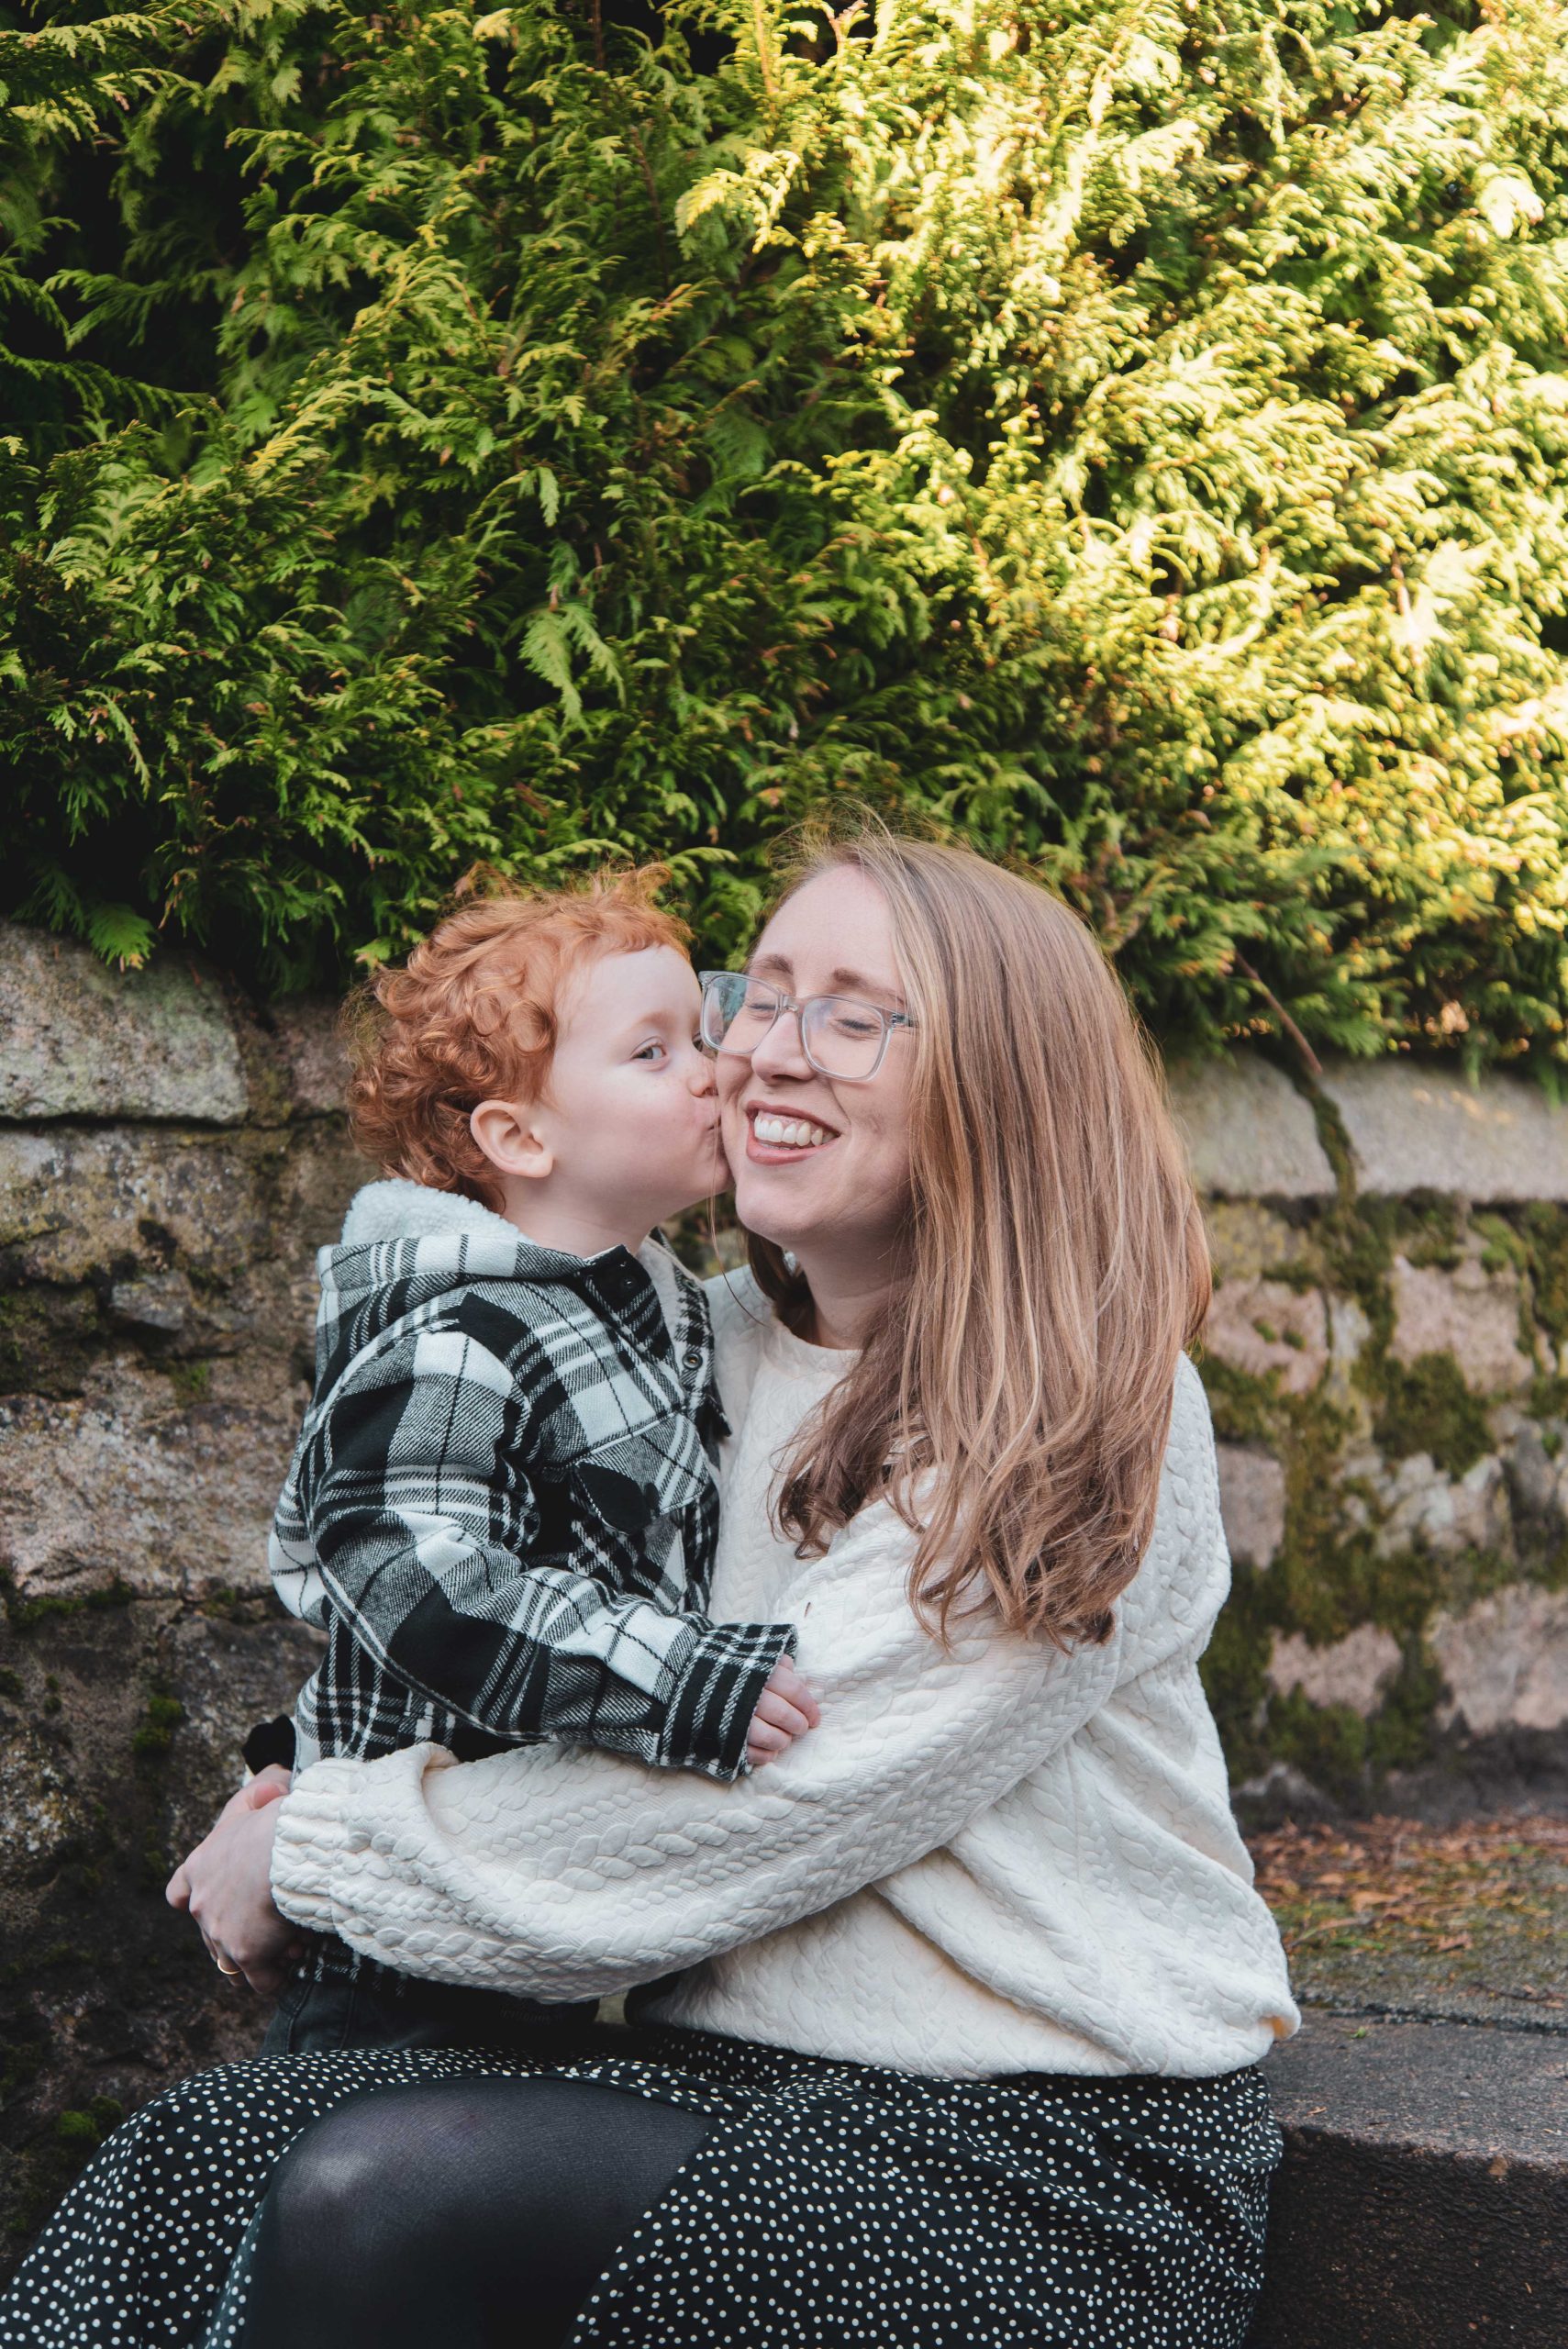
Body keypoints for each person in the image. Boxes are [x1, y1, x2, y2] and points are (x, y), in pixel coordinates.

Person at [0, 826, 1298, 2349]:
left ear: (1001, 1083)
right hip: (725, 2091)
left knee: (386, 2191)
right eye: (764, 995)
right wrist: (299, 1781)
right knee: (198, 2158)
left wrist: (316, 1855)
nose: (767, 1052)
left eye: (854, 1016)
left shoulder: (1087, 1409)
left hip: (1040, 2151)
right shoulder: (666, 1343)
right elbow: (464, 1609)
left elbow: (764, 1798)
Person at [245, 871, 816, 2056]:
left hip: (532, 1899)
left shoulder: (649, 1303)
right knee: (374, 2160)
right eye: (654, 1053)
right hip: (396, 1951)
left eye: (700, 1034)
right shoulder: (461, 1334)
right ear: (518, 1136)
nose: (713, 1071)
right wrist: (674, 1680)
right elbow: (415, 1582)